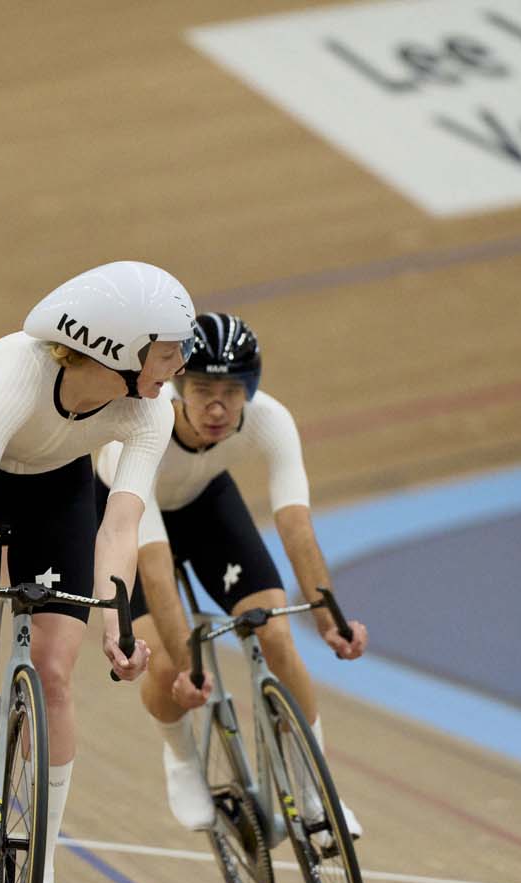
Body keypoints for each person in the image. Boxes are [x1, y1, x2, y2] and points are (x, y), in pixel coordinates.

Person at [0, 260, 196, 883]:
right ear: (117, 351)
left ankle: (42, 874)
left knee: (57, 677)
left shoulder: (149, 404)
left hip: (56, 491)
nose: (178, 363)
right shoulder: (17, 371)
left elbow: (119, 524)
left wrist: (118, 627)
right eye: (166, 350)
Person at [94, 312, 368, 835]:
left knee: (277, 632)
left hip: (205, 504)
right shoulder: (136, 437)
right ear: (177, 386)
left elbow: (296, 526)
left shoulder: (271, 420)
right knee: (168, 664)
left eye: (232, 392)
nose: (218, 409)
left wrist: (327, 614)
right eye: (201, 390)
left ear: (251, 389)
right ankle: (181, 759)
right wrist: (191, 667)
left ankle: (316, 790)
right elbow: (154, 569)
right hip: (127, 519)